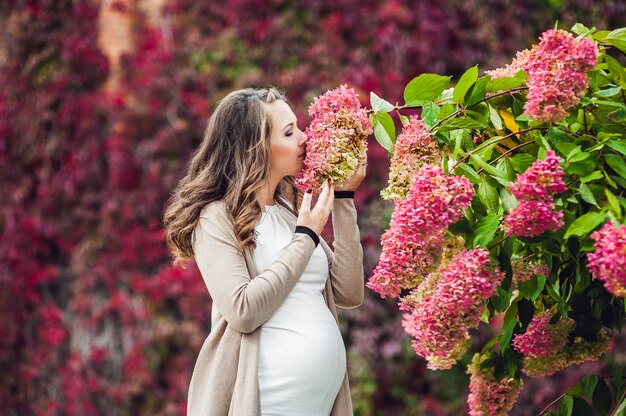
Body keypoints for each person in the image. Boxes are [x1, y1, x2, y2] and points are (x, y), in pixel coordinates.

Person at [163, 87, 365, 416]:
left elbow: (349, 291)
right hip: (265, 401)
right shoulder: (216, 218)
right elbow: (242, 309)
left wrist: (343, 200)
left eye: (298, 126)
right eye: (289, 132)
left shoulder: (288, 212)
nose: (304, 138)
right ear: (256, 148)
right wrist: (305, 237)